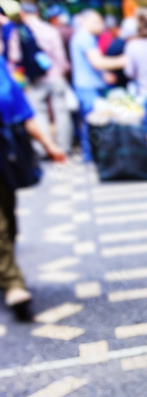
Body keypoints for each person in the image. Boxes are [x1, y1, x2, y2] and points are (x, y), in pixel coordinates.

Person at [0, 47, 66, 320]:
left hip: (5, 154)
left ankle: (6, 270)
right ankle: (13, 283)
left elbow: (22, 111)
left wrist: (49, 144)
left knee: (9, 218)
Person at [69, 9, 126, 161]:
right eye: (97, 22)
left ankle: (91, 155)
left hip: (88, 85)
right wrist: (126, 59)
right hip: (88, 87)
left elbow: (93, 64)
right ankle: (91, 156)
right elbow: (98, 62)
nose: (101, 26)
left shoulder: (84, 37)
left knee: (91, 121)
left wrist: (104, 74)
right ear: (86, 21)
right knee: (91, 121)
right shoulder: (85, 37)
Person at [19, 3, 72, 154]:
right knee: (61, 111)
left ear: (23, 13)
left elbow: (16, 57)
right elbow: (60, 57)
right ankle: (63, 147)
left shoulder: (21, 31)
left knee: (38, 112)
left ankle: (43, 149)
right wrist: (61, 72)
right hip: (55, 76)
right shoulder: (50, 30)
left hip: (35, 79)